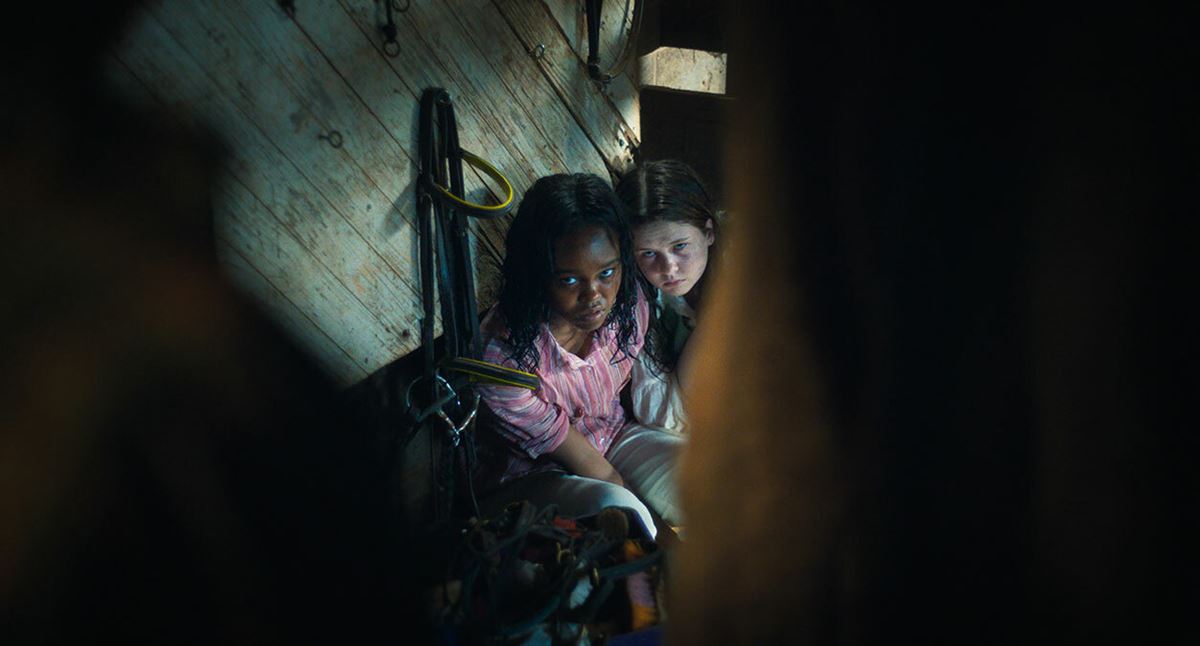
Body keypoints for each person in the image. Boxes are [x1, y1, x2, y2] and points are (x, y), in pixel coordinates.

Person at [473, 173, 683, 541]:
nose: (594, 296)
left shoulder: (628, 305)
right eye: (569, 280)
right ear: (537, 274)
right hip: (537, 474)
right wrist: (663, 541)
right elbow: (587, 464)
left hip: (612, 434)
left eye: (606, 273)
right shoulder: (502, 360)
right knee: (621, 510)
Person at [615, 159, 721, 434]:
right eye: (649, 253)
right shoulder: (638, 298)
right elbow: (659, 411)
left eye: (680, 246)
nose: (669, 269)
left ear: (709, 233)